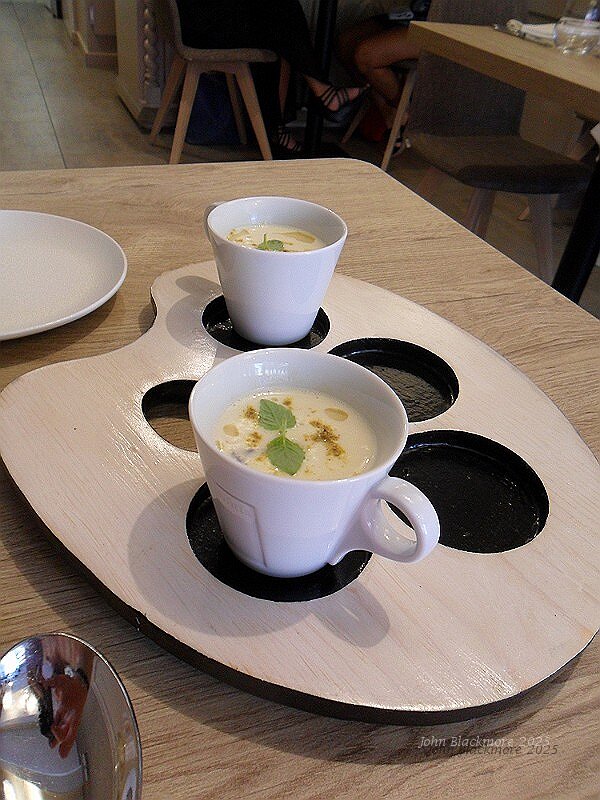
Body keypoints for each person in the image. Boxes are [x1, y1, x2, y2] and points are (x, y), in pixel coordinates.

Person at [176, 0, 367, 155]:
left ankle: (284, 124)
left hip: (202, 16)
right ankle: (322, 94)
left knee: (280, 13)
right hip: (199, 24)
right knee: (281, 14)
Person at [337, 1, 431, 144]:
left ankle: (405, 117)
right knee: (345, 43)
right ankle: (390, 113)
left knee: (366, 56)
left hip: (438, 24)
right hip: (412, 13)